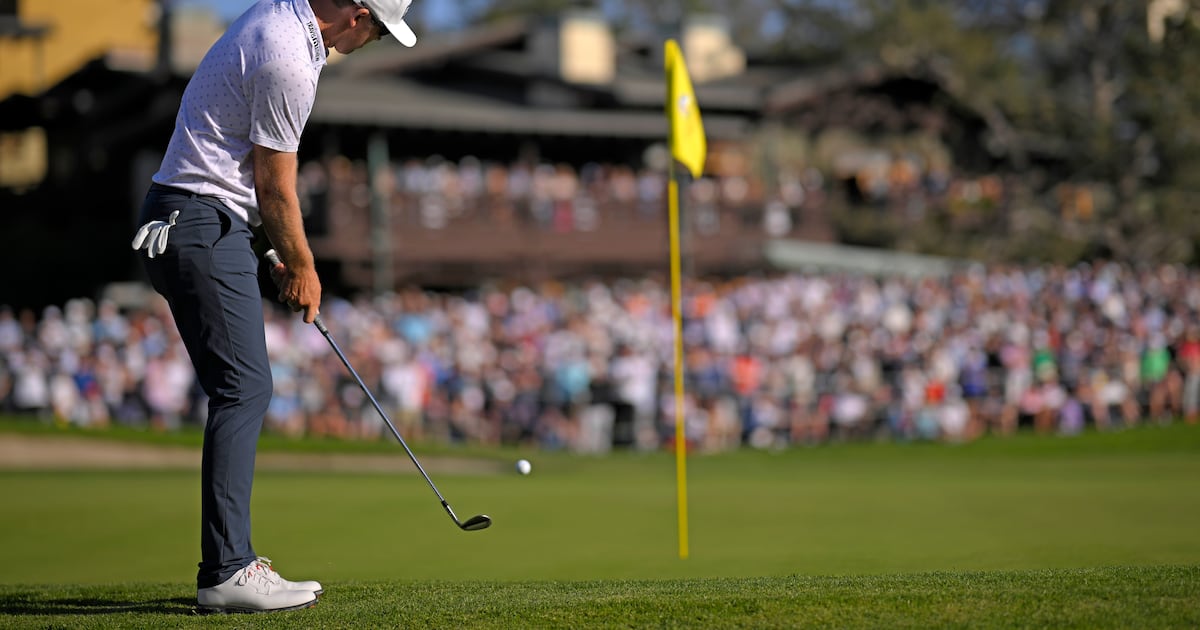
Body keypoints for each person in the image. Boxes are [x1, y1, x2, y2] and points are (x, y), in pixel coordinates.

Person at [130, 0, 417, 614]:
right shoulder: (290, 57)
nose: (375, 42)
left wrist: (269, 248)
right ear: (358, 14)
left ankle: (228, 564)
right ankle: (227, 570)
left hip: (199, 218)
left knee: (241, 386)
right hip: (200, 219)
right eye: (380, 31)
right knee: (245, 388)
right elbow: (274, 183)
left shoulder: (280, 16)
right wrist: (306, 268)